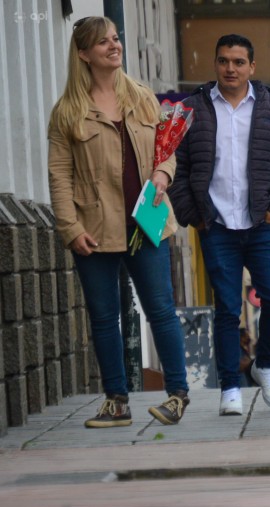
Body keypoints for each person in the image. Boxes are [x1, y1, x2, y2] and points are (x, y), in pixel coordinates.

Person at [48, 16, 190, 428]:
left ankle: (177, 396)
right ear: (83, 54)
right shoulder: (68, 113)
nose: (114, 46)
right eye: (103, 43)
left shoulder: (143, 98)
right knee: (104, 316)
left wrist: (163, 174)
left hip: (146, 222)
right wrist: (70, 228)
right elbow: (59, 175)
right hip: (94, 227)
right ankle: (116, 402)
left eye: (115, 39)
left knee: (161, 309)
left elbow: (167, 149)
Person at [169, 34, 270, 416]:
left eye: (238, 62)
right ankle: (230, 386)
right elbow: (176, 167)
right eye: (224, 61)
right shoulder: (192, 109)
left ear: (252, 67)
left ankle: (265, 365)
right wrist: (192, 215)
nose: (231, 68)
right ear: (215, 64)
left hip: (262, 224)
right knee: (227, 310)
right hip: (215, 226)